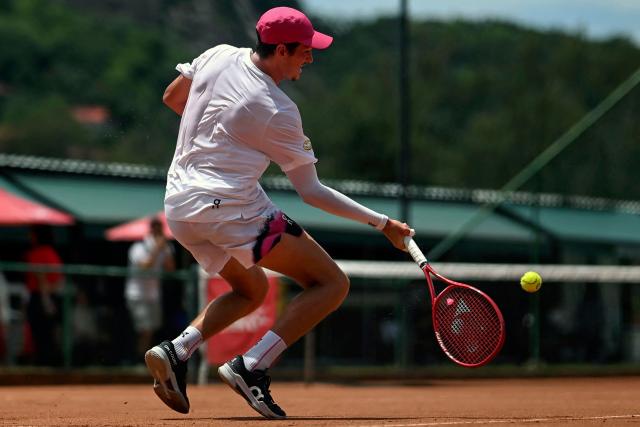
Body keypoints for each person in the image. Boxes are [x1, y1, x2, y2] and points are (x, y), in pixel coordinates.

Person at [145, 6, 413, 419]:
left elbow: (172, 97)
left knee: (251, 291)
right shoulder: (278, 110)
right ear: (282, 49)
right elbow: (311, 192)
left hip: (179, 207)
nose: (310, 58)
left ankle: (177, 350)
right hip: (230, 210)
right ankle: (250, 366)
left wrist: (222, 135)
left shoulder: (217, 54)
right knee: (330, 284)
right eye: (305, 51)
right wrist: (383, 224)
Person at [125, 217, 175, 360]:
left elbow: (170, 269)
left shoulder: (165, 247)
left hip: (154, 295)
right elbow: (145, 266)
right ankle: (138, 359)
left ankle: (143, 359)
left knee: (151, 330)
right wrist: (156, 249)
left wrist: (165, 251)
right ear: (150, 229)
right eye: (155, 227)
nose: (157, 231)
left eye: (159, 227)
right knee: (144, 330)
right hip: (137, 294)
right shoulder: (138, 247)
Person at [24, 225, 64, 366]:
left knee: (41, 336)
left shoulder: (38, 253)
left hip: (41, 298)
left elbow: (43, 280)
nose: (29, 237)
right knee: (47, 335)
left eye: (32, 234)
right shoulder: (52, 252)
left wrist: (46, 299)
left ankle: (44, 364)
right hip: (49, 297)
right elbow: (59, 281)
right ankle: (47, 364)